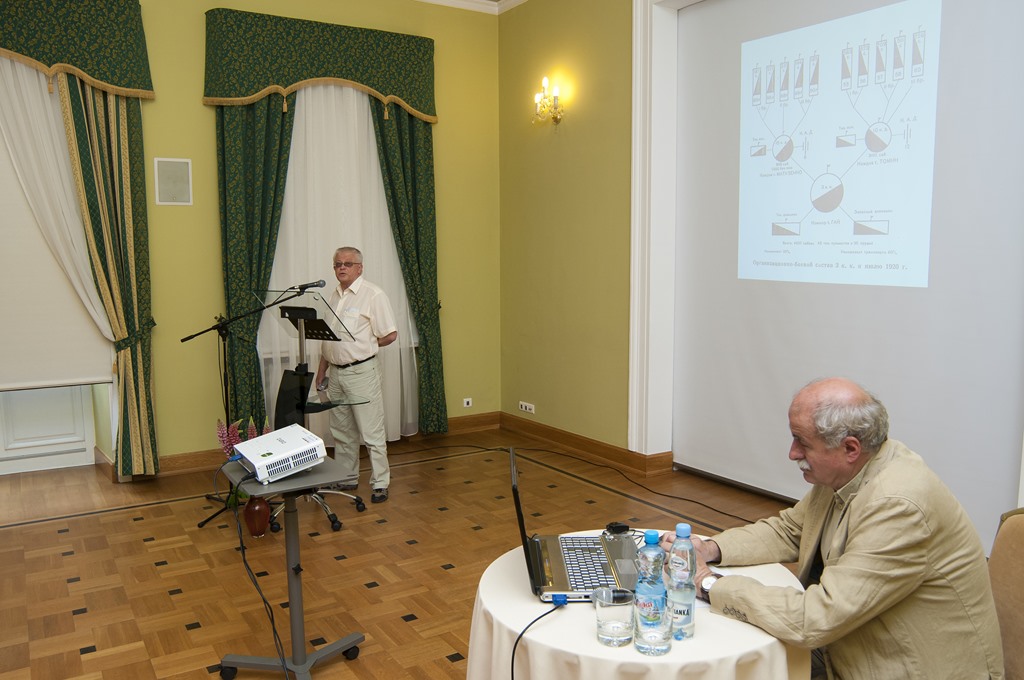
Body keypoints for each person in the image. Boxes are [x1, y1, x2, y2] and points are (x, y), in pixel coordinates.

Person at [662, 377, 1004, 680]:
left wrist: (708, 583)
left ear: (850, 448)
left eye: (802, 442)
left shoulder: (898, 504)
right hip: (851, 644)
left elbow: (815, 619)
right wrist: (710, 548)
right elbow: (789, 530)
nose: (792, 453)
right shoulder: (853, 468)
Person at [315, 247, 397, 504]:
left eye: (347, 264)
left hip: (361, 372)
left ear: (360, 268)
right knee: (342, 431)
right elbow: (328, 340)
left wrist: (366, 346)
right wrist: (322, 370)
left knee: (371, 432)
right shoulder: (334, 295)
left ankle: (380, 482)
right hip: (335, 374)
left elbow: (390, 334)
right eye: (337, 263)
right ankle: (348, 477)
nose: (342, 267)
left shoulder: (373, 295)